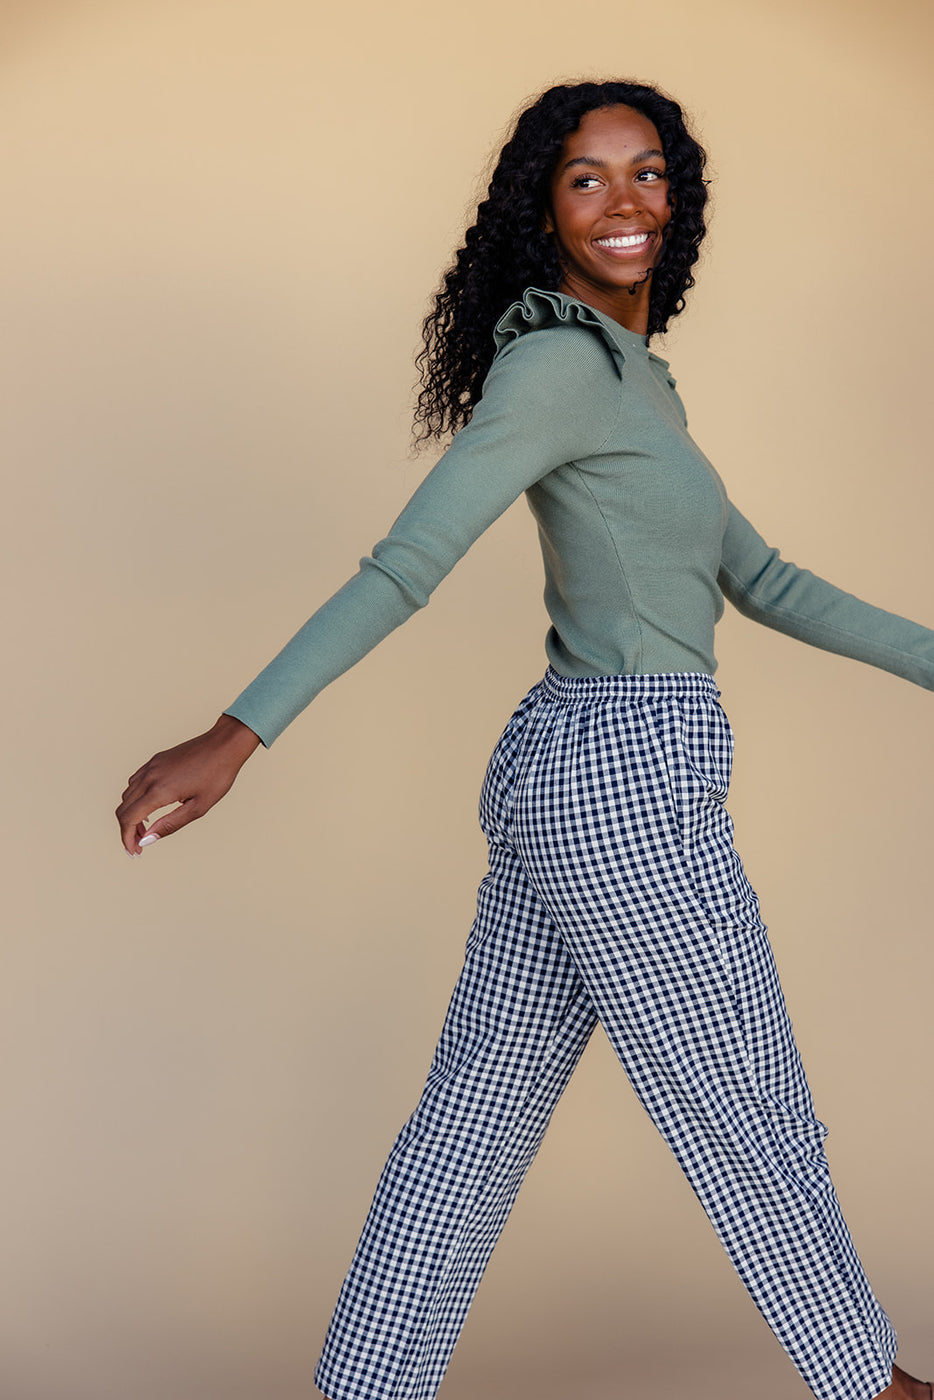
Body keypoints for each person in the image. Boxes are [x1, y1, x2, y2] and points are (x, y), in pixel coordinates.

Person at [116, 80, 932, 1400]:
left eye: (647, 173)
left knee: (474, 1117)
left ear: (682, 200)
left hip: (580, 770)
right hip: (620, 773)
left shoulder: (634, 385)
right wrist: (235, 735)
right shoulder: (556, 364)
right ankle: (868, 1386)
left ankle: (364, 1385)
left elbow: (766, 580)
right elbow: (408, 563)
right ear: (540, 210)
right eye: (586, 178)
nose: (624, 202)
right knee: (744, 1101)